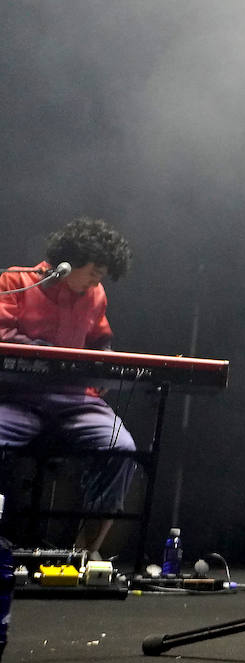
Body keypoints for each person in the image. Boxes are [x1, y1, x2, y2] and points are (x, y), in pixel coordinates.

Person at [0, 217, 137, 558]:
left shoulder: (96, 295)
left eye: (101, 276)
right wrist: (46, 351)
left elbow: (100, 339)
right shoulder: (16, 281)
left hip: (77, 401)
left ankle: (85, 554)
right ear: (71, 259)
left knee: (121, 447)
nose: (96, 280)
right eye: (94, 271)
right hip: (19, 399)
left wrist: (103, 363)